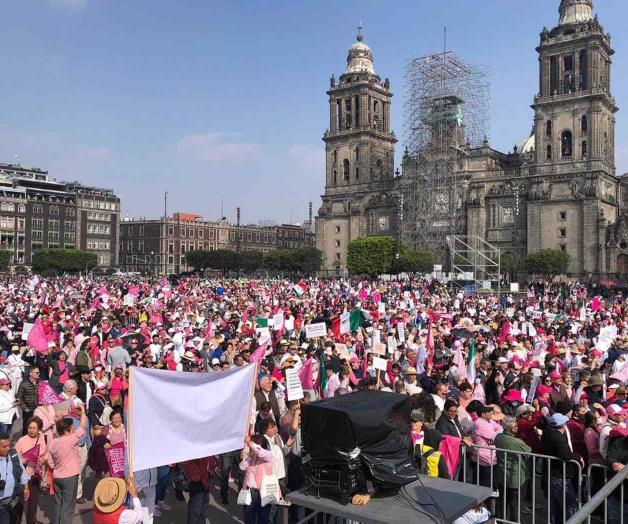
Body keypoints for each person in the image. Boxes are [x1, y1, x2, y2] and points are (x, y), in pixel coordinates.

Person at [47, 403, 87, 524]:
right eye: (71, 427)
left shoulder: (54, 441)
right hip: (70, 476)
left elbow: (48, 459)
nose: (73, 429)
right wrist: (83, 411)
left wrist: (55, 466)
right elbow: (82, 426)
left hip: (57, 476)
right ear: (66, 430)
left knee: (58, 503)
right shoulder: (70, 439)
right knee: (68, 506)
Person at [541, 413, 583, 524]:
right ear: (562, 425)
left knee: (556, 505)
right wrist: (578, 457)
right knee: (569, 505)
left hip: (551, 474)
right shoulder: (558, 437)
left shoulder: (547, 433)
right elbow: (566, 455)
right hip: (559, 476)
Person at [494, 416, 531, 521]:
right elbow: (528, 451)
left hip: (502, 474)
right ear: (510, 427)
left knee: (502, 501)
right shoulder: (516, 442)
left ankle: (500, 520)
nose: (517, 427)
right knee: (514, 503)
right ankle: (514, 521)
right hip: (515, 476)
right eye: (515, 425)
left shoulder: (499, 437)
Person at [15, 416, 47, 524]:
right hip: (23, 475)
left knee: (33, 503)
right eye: (30, 427)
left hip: (36, 474)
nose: (31, 430)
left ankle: (31, 521)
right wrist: (25, 459)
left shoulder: (42, 439)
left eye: (34, 428)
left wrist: (43, 459)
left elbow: (45, 453)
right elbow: (15, 458)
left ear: (39, 429)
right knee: (20, 502)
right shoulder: (21, 440)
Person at [240, 433, 274, 524]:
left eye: (253, 444)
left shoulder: (268, 455)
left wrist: (249, 442)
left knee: (262, 520)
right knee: (249, 520)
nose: (251, 447)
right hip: (249, 492)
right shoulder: (252, 456)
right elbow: (242, 467)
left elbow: (260, 451)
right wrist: (249, 456)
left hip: (262, 493)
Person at [0, 432, 29, 524]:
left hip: (10, 501)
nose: (8, 448)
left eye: (9, 445)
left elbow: (21, 470)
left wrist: (26, 487)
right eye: (4, 446)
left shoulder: (13, 454)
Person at [182, 456, 213, 524]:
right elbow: (186, 461)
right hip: (196, 479)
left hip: (205, 478)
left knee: (204, 504)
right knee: (195, 507)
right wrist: (195, 476)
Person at [16, 368, 39, 437]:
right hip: (28, 410)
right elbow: (18, 398)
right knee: (27, 428)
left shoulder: (40, 383)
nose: (39, 374)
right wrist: (25, 409)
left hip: (38, 409)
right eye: (37, 373)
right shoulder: (23, 384)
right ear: (30, 373)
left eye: (39, 372)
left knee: (36, 427)